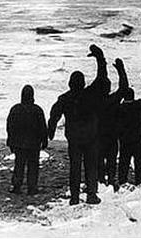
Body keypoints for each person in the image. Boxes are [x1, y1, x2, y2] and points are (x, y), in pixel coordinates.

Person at [48, 44, 110, 205]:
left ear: (70, 83)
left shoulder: (65, 98)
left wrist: (51, 129)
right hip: (90, 137)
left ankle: (74, 197)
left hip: (74, 138)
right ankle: (91, 195)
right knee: (91, 167)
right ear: (83, 83)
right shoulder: (90, 94)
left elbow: (54, 113)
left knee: (74, 167)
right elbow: (102, 78)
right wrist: (100, 58)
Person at [6, 85, 48, 195]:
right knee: (33, 166)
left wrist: (10, 141)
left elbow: (10, 127)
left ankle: (16, 186)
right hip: (34, 143)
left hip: (19, 143)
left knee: (19, 165)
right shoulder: (37, 110)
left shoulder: (16, 109)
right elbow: (43, 127)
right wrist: (44, 140)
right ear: (32, 96)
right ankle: (32, 187)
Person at [116, 69, 141, 186]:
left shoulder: (119, 108)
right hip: (138, 137)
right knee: (139, 161)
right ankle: (140, 181)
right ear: (133, 96)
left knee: (124, 160)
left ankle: (122, 181)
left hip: (124, 138)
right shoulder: (138, 105)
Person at [98, 58, 129, 188]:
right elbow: (123, 88)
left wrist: (100, 62)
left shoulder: (94, 102)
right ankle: (110, 181)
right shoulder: (113, 100)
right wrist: (121, 70)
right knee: (111, 161)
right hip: (111, 136)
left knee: (99, 161)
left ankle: (100, 182)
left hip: (98, 136)